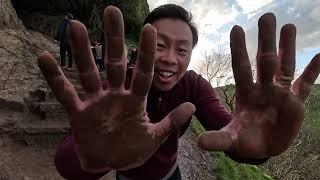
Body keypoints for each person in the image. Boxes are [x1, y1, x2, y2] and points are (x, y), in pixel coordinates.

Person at [38, 4, 320, 180]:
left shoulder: (194, 85)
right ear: (144, 47)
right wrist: (96, 156)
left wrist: (259, 149)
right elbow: (67, 163)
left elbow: (229, 130)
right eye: (159, 45)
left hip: (170, 174)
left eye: (182, 50)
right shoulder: (116, 91)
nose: (171, 58)